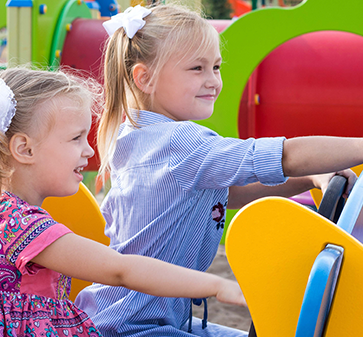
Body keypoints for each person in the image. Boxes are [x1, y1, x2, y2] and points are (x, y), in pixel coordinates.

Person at [75, 3, 363, 337]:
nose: (213, 81)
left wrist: (308, 179)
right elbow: (287, 154)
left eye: (216, 67)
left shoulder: (144, 133)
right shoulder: (177, 143)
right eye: (196, 69)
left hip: (145, 318)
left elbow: (229, 194)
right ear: (144, 78)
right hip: (135, 327)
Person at [0, 67, 247, 337]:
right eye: (75, 138)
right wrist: (218, 286)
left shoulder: (12, 215)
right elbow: (121, 269)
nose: (89, 150)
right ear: (24, 149)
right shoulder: (17, 222)